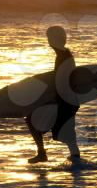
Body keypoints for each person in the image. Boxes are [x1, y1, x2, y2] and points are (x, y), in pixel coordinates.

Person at [25, 26, 80, 164]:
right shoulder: (63, 54)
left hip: (64, 100)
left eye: (49, 37)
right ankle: (75, 161)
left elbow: (62, 81)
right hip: (67, 100)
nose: (48, 40)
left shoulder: (63, 56)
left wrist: (47, 97)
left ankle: (43, 154)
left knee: (32, 119)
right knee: (67, 133)